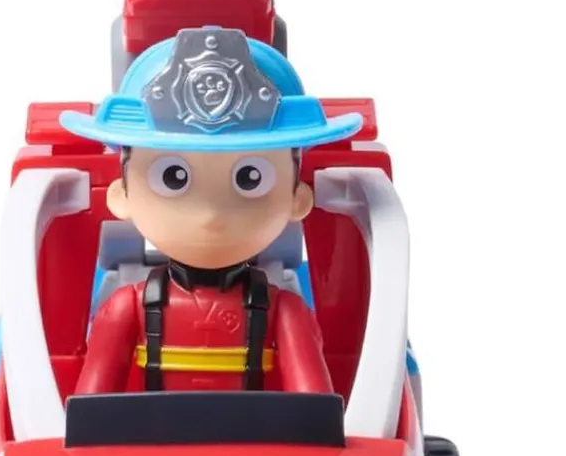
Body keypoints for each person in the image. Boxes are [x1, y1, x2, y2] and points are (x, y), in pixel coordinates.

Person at [59, 27, 362, 394]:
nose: (212, 214)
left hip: (259, 433)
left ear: (298, 198)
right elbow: (91, 403)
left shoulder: (284, 311)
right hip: (152, 432)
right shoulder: (128, 307)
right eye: (173, 177)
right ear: (121, 195)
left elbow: (314, 406)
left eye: (250, 178)